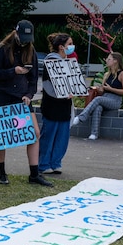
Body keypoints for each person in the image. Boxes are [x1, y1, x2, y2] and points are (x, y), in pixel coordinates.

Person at [0, 20, 53, 187]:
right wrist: (13, 71)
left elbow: (33, 79)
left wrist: (29, 95)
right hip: (1, 95)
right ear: (15, 32)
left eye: (27, 38)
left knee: (34, 133)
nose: (24, 41)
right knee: (1, 136)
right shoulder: (3, 48)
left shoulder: (31, 50)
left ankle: (34, 174)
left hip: (21, 97)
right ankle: (2, 172)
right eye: (22, 37)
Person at [37, 32, 75, 175]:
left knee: (61, 135)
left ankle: (54, 162)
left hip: (63, 105)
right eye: (69, 44)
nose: (72, 47)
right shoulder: (52, 61)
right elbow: (48, 85)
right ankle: (45, 163)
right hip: (53, 105)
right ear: (61, 47)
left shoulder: (66, 62)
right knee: (50, 134)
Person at [73, 51, 123, 140]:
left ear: (115, 61)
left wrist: (111, 89)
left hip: (115, 100)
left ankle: (81, 117)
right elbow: (103, 91)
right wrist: (100, 90)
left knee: (99, 100)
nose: (106, 60)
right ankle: (94, 134)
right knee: (98, 107)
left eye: (109, 59)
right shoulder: (107, 74)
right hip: (105, 97)